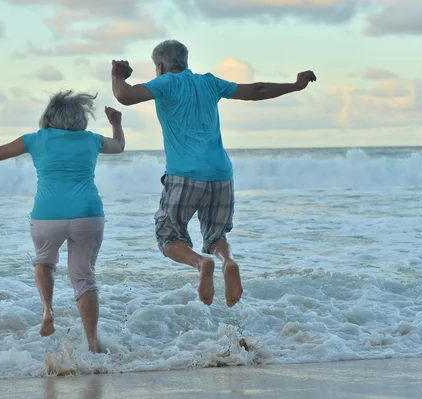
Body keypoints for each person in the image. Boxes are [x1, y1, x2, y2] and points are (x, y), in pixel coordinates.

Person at [110, 39, 316, 308]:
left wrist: (117, 76)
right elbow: (256, 90)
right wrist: (296, 85)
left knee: (169, 237)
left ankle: (201, 263)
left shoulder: (166, 83)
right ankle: (227, 261)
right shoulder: (209, 82)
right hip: (221, 175)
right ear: (185, 60)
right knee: (217, 236)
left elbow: (124, 96)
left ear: (160, 66)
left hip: (184, 175)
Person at [0, 90, 125, 353]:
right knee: (84, 278)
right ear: (80, 117)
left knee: (44, 261)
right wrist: (116, 122)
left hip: (47, 215)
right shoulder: (91, 140)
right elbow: (119, 146)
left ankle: (47, 310)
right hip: (88, 213)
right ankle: (92, 342)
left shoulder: (36, 139)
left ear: (49, 116)